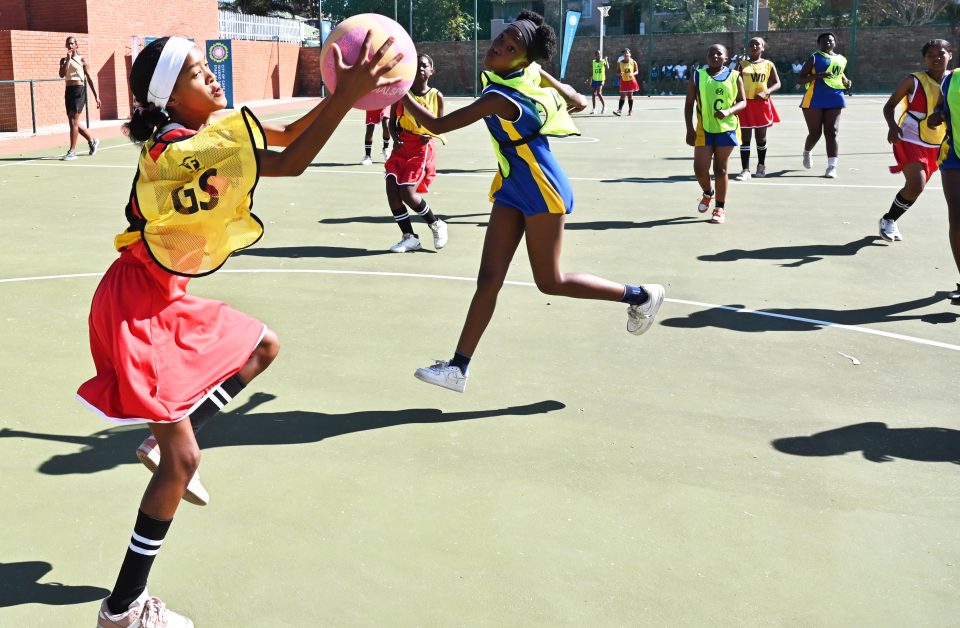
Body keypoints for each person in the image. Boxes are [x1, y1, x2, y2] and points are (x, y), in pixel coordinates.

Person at [79, 34, 399, 627]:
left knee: (263, 345)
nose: (213, 78)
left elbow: (279, 137)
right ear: (169, 98)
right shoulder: (177, 153)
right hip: (135, 306)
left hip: (160, 297)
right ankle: (122, 612)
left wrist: (340, 95)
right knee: (182, 464)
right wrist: (348, 94)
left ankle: (158, 446)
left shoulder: (207, 134)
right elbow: (291, 163)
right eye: (198, 75)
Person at [399, 11, 665, 393]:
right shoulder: (523, 74)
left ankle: (640, 295)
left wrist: (397, 91)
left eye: (511, 48)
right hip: (513, 185)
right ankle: (458, 368)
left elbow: (439, 126)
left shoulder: (497, 96)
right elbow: (562, 90)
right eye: (502, 39)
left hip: (541, 186)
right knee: (488, 280)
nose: (499, 48)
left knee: (550, 282)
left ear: (522, 59)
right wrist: (557, 83)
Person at [879, 40, 952, 242]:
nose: (936, 57)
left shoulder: (954, 80)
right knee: (916, 184)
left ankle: (890, 218)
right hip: (909, 138)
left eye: (941, 53)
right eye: (930, 54)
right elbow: (889, 106)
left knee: (914, 190)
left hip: (939, 143)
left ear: (950, 55)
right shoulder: (913, 80)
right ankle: (889, 221)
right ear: (924, 59)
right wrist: (892, 126)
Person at [384, 53, 449, 253]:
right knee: (391, 188)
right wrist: (395, 138)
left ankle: (436, 223)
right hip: (402, 147)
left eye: (424, 66)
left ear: (431, 71)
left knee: (407, 193)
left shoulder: (436, 95)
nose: (420, 69)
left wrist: (428, 135)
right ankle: (409, 237)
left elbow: (440, 125)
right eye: (417, 66)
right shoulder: (402, 95)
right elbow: (392, 123)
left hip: (421, 148)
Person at [684, 43, 746, 225]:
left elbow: (742, 102)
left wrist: (728, 111)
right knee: (700, 168)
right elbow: (689, 104)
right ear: (706, 57)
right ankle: (707, 193)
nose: (715, 56)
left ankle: (720, 207)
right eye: (711, 54)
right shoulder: (698, 76)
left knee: (721, 169)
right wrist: (689, 129)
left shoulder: (735, 76)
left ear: (726, 57)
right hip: (704, 128)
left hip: (727, 128)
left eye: (719, 54)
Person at [798, 32, 852, 178]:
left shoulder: (841, 59)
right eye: (824, 40)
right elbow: (800, 79)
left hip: (835, 97)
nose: (828, 42)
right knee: (815, 133)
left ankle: (831, 167)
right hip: (814, 98)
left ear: (835, 42)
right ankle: (807, 152)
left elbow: (840, 75)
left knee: (832, 131)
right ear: (819, 44)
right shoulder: (815, 58)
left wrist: (847, 82)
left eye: (830, 40)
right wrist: (818, 76)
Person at [931, 49, 960, 300]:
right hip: (954, 155)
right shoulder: (950, 79)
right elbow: (940, 109)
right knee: (958, 218)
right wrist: (936, 116)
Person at [735, 37, 781, 180]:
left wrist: (767, 92)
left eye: (757, 44)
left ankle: (761, 166)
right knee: (745, 139)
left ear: (763, 48)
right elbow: (734, 82)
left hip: (761, 105)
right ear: (748, 48)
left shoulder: (768, 64)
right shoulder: (741, 65)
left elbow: (777, 83)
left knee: (761, 138)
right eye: (751, 44)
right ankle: (745, 170)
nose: (754, 46)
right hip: (745, 104)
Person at [58, 36, 101, 161]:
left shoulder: (82, 60)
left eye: (71, 43)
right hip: (68, 91)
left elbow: (90, 78)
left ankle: (72, 151)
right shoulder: (64, 60)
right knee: (73, 122)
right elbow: (62, 75)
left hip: (79, 91)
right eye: (68, 44)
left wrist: (96, 96)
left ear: (76, 45)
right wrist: (67, 60)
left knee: (73, 121)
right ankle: (92, 141)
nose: (69, 46)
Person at [613, 48, 639, 116]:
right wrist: (619, 74)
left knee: (630, 96)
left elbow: (637, 71)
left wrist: (632, 74)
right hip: (623, 81)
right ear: (623, 55)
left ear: (630, 54)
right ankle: (619, 110)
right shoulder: (620, 63)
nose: (626, 54)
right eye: (624, 53)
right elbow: (617, 72)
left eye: (627, 53)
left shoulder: (633, 62)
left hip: (631, 81)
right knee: (622, 96)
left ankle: (630, 110)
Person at [590, 50, 609, 114]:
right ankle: (594, 109)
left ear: (601, 55)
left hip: (601, 79)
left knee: (598, 93)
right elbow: (592, 71)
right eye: (597, 54)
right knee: (593, 94)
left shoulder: (603, 61)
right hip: (595, 79)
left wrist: (606, 60)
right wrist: (590, 79)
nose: (598, 55)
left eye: (599, 54)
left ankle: (604, 106)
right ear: (595, 56)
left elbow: (607, 67)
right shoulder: (593, 62)